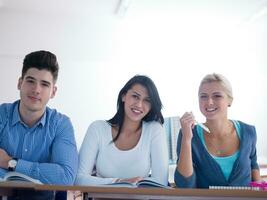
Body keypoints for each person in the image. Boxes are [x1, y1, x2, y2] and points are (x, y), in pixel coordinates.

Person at [0, 50, 78, 199]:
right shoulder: (1, 115)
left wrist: (10, 163)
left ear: (53, 92)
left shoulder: (61, 125)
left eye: (44, 84)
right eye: (30, 81)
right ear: (19, 83)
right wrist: (42, 174)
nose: (36, 90)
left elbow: (66, 176)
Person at [75, 75, 169, 186]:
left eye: (147, 100)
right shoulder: (97, 129)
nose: (139, 105)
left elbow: (161, 182)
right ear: (123, 96)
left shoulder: (154, 130)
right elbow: (79, 179)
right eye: (135, 96)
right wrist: (118, 182)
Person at [174, 73, 261, 188]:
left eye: (217, 96)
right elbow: (185, 185)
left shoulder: (248, 132)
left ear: (230, 100)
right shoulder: (189, 133)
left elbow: (254, 169)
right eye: (203, 96)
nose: (209, 102)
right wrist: (186, 139)